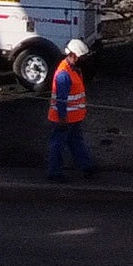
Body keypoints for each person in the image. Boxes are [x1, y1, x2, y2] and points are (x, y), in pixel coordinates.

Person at [45, 40, 96, 180]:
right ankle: (54, 173)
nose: (82, 60)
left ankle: (86, 166)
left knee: (76, 142)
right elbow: (61, 99)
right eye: (81, 57)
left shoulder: (72, 70)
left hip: (73, 117)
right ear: (73, 55)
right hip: (64, 118)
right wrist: (62, 118)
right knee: (58, 145)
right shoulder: (64, 74)